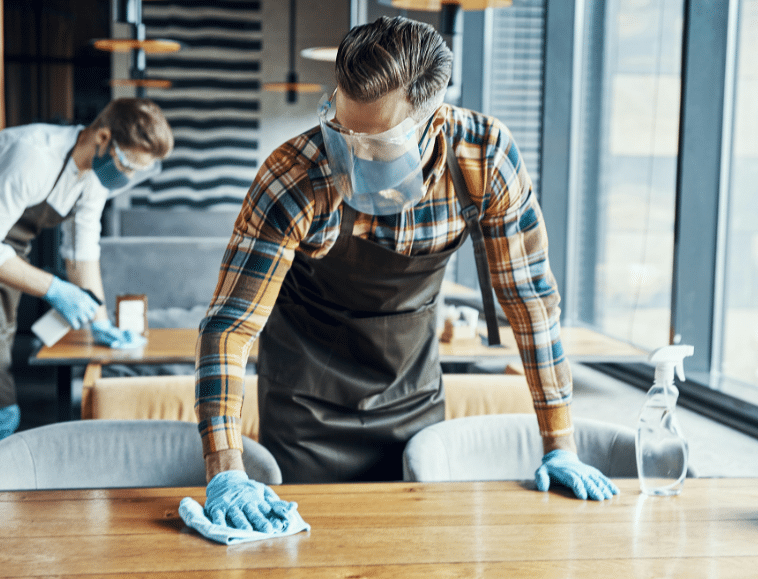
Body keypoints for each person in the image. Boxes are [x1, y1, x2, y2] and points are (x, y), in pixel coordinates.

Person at [192, 17, 621, 532]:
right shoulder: (296, 177)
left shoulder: (484, 158)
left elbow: (529, 302)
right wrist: (225, 469)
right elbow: (229, 326)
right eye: (341, 130)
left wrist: (560, 445)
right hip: (306, 409)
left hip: (411, 399)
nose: (350, 155)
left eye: (375, 144)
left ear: (432, 123)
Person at [0, 98, 173, 486]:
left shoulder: (92, 178)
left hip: (2, 268)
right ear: (103, 137)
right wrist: (55, 289)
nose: (125, 177)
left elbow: (81, 253)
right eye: (126, 165)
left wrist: (99, 320)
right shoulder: (31, 156)